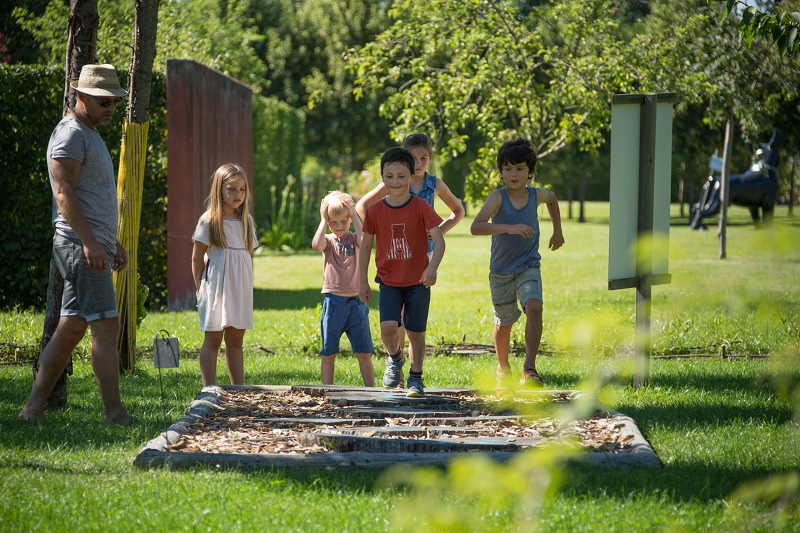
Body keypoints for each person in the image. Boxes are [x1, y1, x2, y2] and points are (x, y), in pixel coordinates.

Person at [19, 64, 131, 424]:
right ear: (80, 96)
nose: (110, 107)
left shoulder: (89, 131)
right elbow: (63, 193)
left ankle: (32, 408)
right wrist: (91, 244)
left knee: (71, 328)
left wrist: (110, 242)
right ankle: (115, 414)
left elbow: (90, 196)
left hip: (92, 246)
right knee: (106, 326)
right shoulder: (70, 134)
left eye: (113, 101)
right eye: (102, 101)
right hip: (81, 248)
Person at [355, 133, 464, 359]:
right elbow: (363, 206)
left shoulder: (435, 185)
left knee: (411, 318)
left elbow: (458, 211)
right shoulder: (394, 181)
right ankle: (397, 360)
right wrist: (381, 228)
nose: (419, 163)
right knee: (396, 317)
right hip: (396, 252)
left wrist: (439, 231)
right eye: (414, 158)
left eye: (424, 158)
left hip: (422, 255)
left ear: (431, 159)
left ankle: (412, 368)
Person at [470, 138, 564, 389]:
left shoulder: (536, 195)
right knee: (504, 323)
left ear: (530, 171)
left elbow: (553, 200)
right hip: (501, 271)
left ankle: (530, 368)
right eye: (509, 169)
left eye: (520, 168)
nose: (514, 174)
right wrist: (508, 227)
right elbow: (476, 227)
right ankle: (503, 368)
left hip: (528, 265)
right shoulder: (497, 198)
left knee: (534, 306)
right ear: (501, 172)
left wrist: (558, 231)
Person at [358, 147, 445, 397]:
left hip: (418, 280)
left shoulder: (420, 207)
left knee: (416, 332)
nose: (395, 182)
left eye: (401, 176)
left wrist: (432, 268)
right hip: (389, 280)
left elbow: (439, 241)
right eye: (389, 176)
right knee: (387, 327)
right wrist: (362, 281)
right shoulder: (375, 211)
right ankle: (395, 358)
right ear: (382, 177)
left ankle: (416, 378)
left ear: (411, 177)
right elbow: (365, 246)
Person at [192, 163, 258, 387]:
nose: (237, 194)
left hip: (239, 289)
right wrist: (199, 286)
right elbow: (196, 257)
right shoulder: (209, 220)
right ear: (219, 189)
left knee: (236, 339)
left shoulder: (246, 221)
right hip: (216, 287)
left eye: (241, 189)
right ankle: (208, 389)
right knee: (212, 339)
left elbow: (245, 258)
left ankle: (238, 389)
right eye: (231, 189)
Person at [311, 191, 375, 386]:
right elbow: (315, 245)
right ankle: (327, 391)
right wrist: (323, 220)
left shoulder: (355, 238)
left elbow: (366, 241)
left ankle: (371, 391)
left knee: (363, 352)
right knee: (329, 352)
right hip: (333, 302)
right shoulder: (328, 241)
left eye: (343, 221)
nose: (339, 226)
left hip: (356, 302)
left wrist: (354, 214)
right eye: (333, 222)